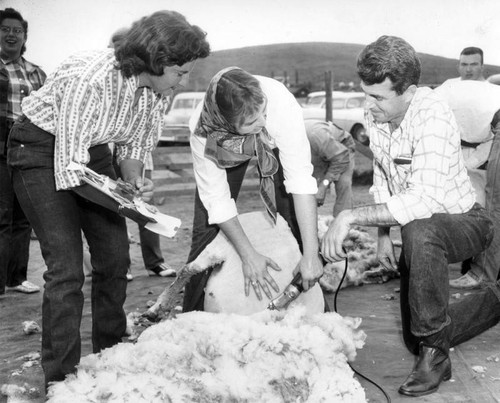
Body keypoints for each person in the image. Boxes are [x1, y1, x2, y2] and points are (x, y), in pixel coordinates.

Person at [7, 10, 209, 387]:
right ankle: (63, 381)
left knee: (115, 257)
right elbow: (70, 167)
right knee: (66, 268)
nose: (185, 80)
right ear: (158, 61)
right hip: (39, 150)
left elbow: (133, 145)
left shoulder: (156, 92)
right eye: (181, 72)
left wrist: (133, 184)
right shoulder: (93, 78)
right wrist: (125, 203)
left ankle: (111, 356)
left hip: (90, 151)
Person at [320, 35, 500, 397]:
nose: (368, 106)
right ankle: (480, 312)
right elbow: (386, 176)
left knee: (419, 229)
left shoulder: (432, 115)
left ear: (410, 91)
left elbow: (422, 201)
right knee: (416, 335)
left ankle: (435, 356)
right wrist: (384, 232)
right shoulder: (379, 114)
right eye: (365, 93)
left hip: (467, 221)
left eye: (378, 97)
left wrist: (349, 217)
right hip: (425, 226)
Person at [183, 67, 323, 312]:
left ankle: (312, 302)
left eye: (263, 113)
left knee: (293, 215)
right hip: (226, 145)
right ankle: (193, 320)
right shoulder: (203, 129)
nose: (262, 122)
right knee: (205, 231)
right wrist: (249, 255)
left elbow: (300, 181)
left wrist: (312, 253)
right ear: (225, 123)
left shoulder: (279, 105)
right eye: (252, 121)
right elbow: (217, 199)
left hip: (274, 142)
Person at [108, 28, 175, 281]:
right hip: (105, 155)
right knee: (113, 208)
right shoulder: (110, 82)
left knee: (144, 204)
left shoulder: (153, 84)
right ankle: (121, 265)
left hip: (136, 156)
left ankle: (154, 261)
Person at [434, 80, 500, 288]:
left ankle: (482, 274)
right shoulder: (450, 94)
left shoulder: (435, 105)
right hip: (492, 124)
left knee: (493, 206)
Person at [0, 8, 46, 295]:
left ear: (24, 36)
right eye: (5, 29)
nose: (11, 34)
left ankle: (16, 278)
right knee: (2, 217)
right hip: (0, 149)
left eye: (17, 30)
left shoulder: (36, 72)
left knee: (23, 217)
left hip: (29, 149)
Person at [304, 119, 355, 216]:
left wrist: (323, 186)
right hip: (319, 152)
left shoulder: (315, 135)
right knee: (311, 189)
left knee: (343, 183)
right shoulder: (289, 141)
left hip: (342, 149)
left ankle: (342, 223)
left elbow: (341, 158)